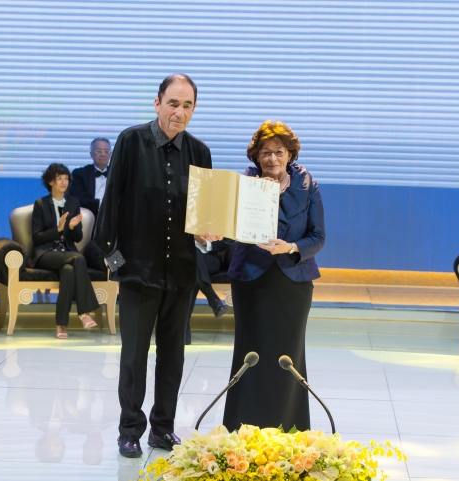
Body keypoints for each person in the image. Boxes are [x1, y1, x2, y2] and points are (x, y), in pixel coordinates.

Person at [94, 74, 218, 458]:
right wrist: (114, 259)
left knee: (172, 357)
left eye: (188, 106)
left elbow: (204, 218)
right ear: (157, 103)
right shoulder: (131, 141)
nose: (179, 112)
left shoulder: (200, 153)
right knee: (133, 357)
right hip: (138, 272)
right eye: (173, 103)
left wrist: (207, 237)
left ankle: (162, 429)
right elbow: (111, 198)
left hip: (181, 274)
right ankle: (129, 429)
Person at [222, 120, 325, 432]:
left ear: (290, 153)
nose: (272, 159)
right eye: (265, 152)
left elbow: (318, 237)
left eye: (279, 152)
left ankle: (289, 430)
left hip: (292, 282)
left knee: (287, 356)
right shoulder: (244, 183)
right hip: (250, 280)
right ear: (256, 156)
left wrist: (290, 246)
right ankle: (242, 430)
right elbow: (230, 233)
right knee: (249, 354)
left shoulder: (308, 184)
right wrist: (209, 236)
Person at [31, 163, 100, 339]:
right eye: (59, 179)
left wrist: (71, 227)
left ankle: (61, 325)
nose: (63, 182)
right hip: (46, 253)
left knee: (69, 270)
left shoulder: (73, 202)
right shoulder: (40, 204)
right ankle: (84, 312)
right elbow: (37, 238)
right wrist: (59, 229)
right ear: (50, 182)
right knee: (78, 259)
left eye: (66, 178)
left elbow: (77, 238)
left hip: (66, 252)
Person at [184, 238, 230, 344]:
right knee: (191, 267)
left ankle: (184, 328)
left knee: (191, 262)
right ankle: (214, 300)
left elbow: (226, 242)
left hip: (209, 258)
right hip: (185, 257)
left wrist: (203, 242)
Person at [69, 137, 111, 219]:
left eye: (106, 151)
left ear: (110, 154)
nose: (103, 154)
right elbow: (78, 198)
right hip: (90, 215)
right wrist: (102, 204)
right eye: (99, 151)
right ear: (91, 154)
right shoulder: (80, 173)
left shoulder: (118, 173)